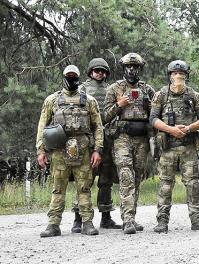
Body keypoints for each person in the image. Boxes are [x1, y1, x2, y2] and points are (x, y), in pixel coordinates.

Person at [36, 65, 103, 237]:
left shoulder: (89, 100)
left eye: (74, 76)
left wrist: (98, 150)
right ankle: (53, 225)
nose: (72, 78)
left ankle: (87, 223)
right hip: (59, 150)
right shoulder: (52, 100)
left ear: (79, 77)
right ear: (64, 76)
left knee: (84, 188)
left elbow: (98, 127)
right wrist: (41, 150)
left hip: (83, 150)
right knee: (58, 188)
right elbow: (42, 126)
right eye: (69, 76)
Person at [149, 60, 199, 233]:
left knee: (193, 185)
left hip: (189, 147)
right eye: (175, 74)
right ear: (170, 76)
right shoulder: (160, 95)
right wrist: (171, 130)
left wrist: (189, 128)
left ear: (186, 77)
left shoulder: (194, 96)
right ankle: (162, 222)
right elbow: (153, 119)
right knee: (166, 185)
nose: (178, 77)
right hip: (168, 147)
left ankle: (197, 221)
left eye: (181, 75)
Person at [104, 53, 155, 234]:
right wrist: (120, 104)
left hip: (141, 139)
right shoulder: (114, 88)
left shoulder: (147, 89)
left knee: (136, 178)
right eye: (128, 67)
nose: (132, 70)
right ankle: (128, 220)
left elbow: (155, 117)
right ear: (124, 68)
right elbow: (104, 116)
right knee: (126, 176)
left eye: (135, 67)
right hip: (122, 138)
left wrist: (150, 108)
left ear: (140, 69)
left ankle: (131, 216)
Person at [71, 58, 121, 233]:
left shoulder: (111, 90)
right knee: (85, 179)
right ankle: (78, 218)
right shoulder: (81, 89)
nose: (100, 73)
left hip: (108, 140)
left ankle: (106, 217)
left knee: (106, 180)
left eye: (103, 71)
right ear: (91, 71)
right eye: (97, 70)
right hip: (88, 140)